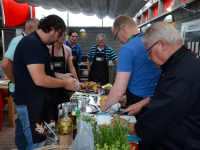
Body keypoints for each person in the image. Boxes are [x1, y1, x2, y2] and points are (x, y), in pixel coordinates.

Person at [126, 22, 200, 150]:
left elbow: (151, 126)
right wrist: (142, 103)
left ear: (162, 45)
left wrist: (124, 125)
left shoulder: (180, 74)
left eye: (149, 52)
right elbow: (168, 95)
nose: (149, 58)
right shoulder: (185, 61)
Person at [13, 15, 79, 149]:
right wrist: (65, 84)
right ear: (51, 29)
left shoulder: (40, 45)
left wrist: (63, 76)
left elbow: (45, 72)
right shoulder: (32, 44)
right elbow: (40, 79)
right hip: (29, 104)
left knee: (41, 142)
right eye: (59, 34)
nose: (59, 39)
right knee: (36, 144)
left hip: (38, 102)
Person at [100, 15, 161, 113]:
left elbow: (118, 91)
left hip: (137, 105)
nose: (119, 42)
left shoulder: (127, 48)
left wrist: (104, 106)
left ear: (122, 29)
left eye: (117, 37)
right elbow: (143, 75)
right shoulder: (151, 41)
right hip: (155, 101)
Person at [1, 18, 39, 150]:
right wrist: (16, 81)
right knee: (24, 119)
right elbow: (5, 64)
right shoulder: (18, 41)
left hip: (24, 89)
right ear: (30, 28)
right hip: (19, 89)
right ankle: (23, 146)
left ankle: (21, 146)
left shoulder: (28, 42)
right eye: (38, 29)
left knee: (21, 121)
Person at [48, 30, 79, 105]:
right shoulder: (48, 48)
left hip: (63, 83)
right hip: (50, 83)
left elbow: (71, 67)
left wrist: (77, 82)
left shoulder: (67, 49)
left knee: (64, 107)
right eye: (61, 35)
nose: (63, 37)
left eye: (64, 35)